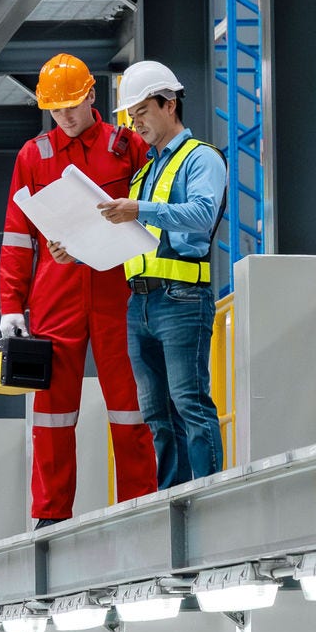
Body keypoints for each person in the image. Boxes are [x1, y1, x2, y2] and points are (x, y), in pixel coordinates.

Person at [0, 53, 158, 526]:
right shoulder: (34, 155)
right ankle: (50, 514)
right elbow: (16, 236)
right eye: (56, 108)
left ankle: (138, 503)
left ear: (93, 96)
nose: (65, 116)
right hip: (55, 296)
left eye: (72, 104)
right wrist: (10, 305)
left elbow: (150, 210)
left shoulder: (126, 146)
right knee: (51, 411)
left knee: (131, 404)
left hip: (119, 290)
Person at [97, 60, 229, 488]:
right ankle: (173, 498)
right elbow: (134, 238)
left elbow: (203, 213)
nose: (136, 125)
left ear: (169, 104)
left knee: (189, 402)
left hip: (182, 300)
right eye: (132, 117)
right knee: (157, 413)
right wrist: (76, 251)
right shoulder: (144, 173)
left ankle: (209, 494)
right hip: (141, 304)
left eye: (142, 113)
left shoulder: (201, 159)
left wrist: (138, 208)